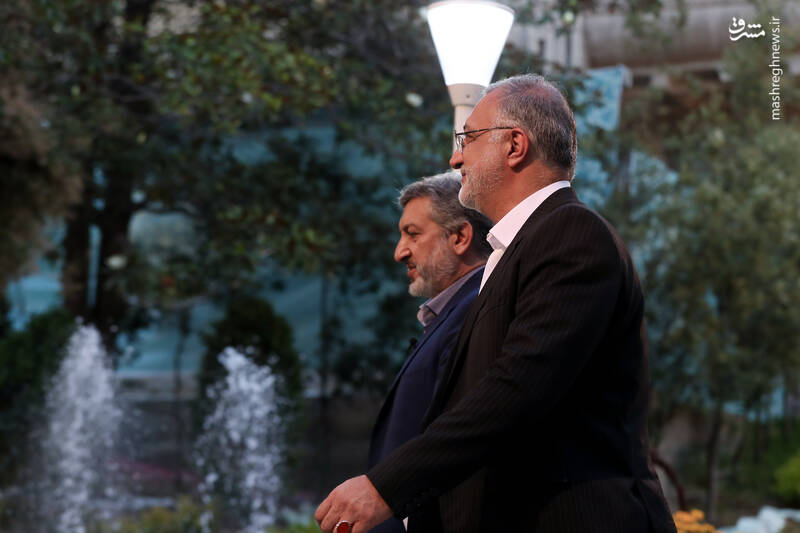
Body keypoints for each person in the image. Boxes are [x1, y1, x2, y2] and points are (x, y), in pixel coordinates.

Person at [316, 74, 676, 533]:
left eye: (467, 138)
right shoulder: (515, 251)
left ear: (514, 145)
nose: (455, 158)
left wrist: (384, 488)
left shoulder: (571, 233)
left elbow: (515, 391)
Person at [368, 172, 491, 533]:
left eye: (413, 233)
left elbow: (461, 439)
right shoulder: (457, 311)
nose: (399, 252)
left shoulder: (475, 311)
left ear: (460, 237)